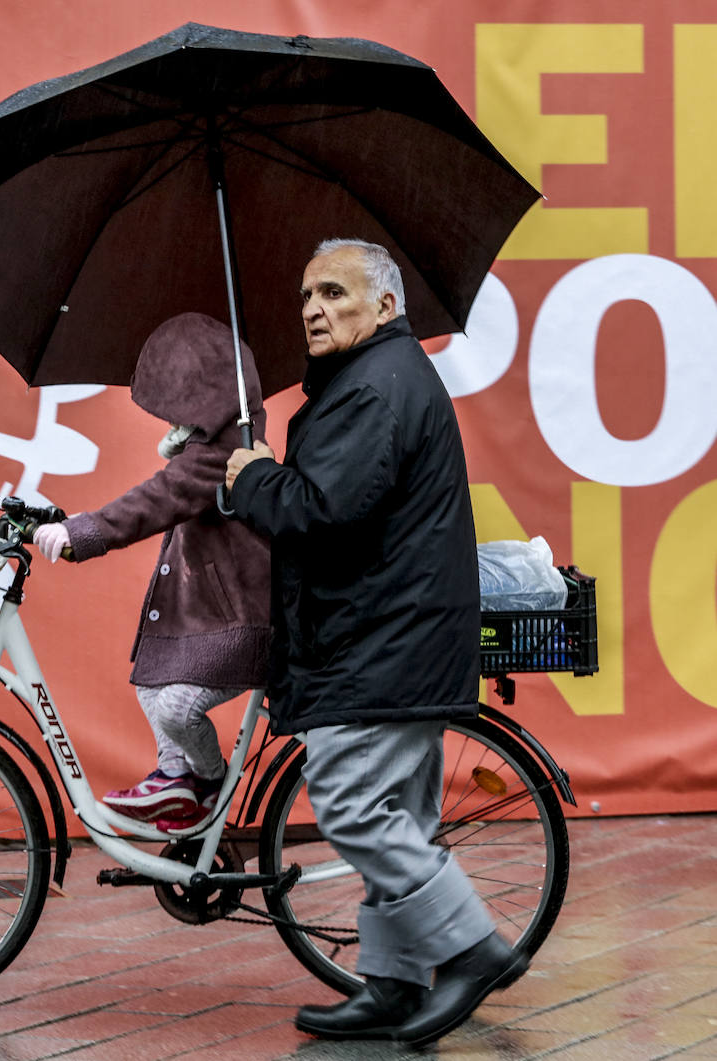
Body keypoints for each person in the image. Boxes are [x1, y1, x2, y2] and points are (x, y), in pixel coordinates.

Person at [224, 239, 525, 1048]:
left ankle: (471, 947)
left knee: (356, 810)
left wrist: (251, 477)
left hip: (375, 643)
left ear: (385, 306)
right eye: (306, 297)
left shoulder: (374, 388)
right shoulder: (378, 379)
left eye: (334, 293)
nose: (313, 309)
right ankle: (393, 984)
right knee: (397, 815)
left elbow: (323, 511)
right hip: (396, 637)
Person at [33, 312, 271, 831]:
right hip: (207, 615)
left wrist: (88, 531)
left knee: (178, 708)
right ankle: (173, 777)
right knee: (150, 683)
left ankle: (207, 782)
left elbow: (158, 499)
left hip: (238, 621)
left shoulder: (224, 453)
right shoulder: (205, 448)